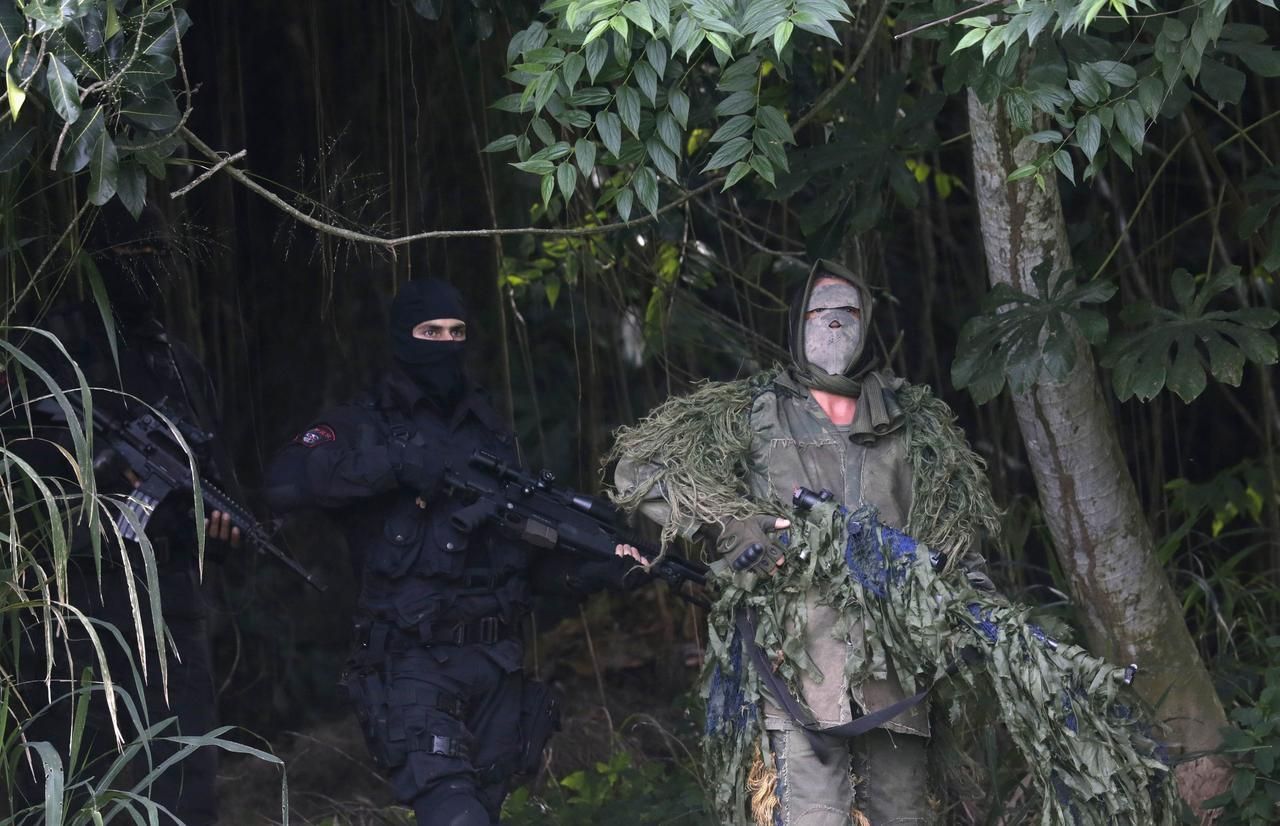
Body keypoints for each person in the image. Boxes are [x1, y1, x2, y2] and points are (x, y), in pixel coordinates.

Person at [608, 259, 1002, 825]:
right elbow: (640, 468)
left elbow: (958, 540)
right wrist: (728, 523)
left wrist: (978, 619)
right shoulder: (751, 411)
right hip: (794, 665)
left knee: (904, 815)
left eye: (849, 311)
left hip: (897, 671)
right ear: (797, 322)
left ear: (867, 322)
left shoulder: (915, 424)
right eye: (822, 311)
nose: (835, 324)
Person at [264, 277, 637, 826]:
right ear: (402, 337)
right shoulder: (363, 424)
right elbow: (285, 483)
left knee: (481, 811)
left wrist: (601, 567)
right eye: (430, 330)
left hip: (495, 665)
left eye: (456, 331)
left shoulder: (487, 432)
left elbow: (525, 560)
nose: (444, 342)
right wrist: (394, 465)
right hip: (413, 663)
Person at [7, 205, 238, 825]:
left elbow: (215, 477)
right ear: (97, 265)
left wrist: (217, 532)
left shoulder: (178, 363)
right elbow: (19, 449)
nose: (146, 274)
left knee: (185, 766)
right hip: (78, 588)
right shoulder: (56, 350)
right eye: (131, 260)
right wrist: (101, 467)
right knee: (66, 764)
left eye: (155, 259)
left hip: (168, 591)